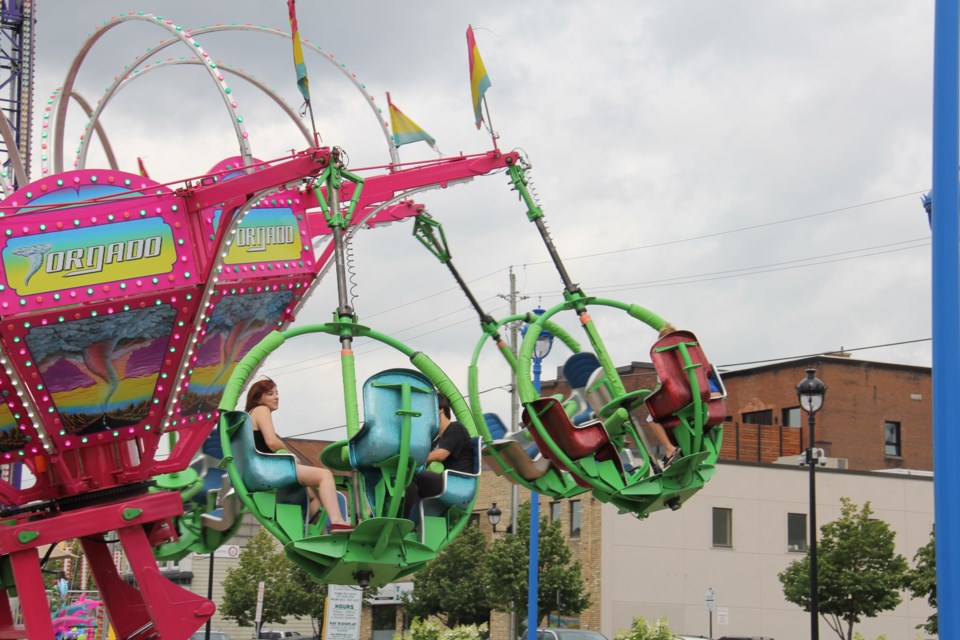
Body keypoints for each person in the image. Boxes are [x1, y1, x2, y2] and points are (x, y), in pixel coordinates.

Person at [245, 378, 353, 532]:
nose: (276, 397)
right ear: (258, 398)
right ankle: (337, 521)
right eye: (270, 394)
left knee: (311, 495)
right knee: (325, 475)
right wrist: (290, 455)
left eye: (277, 393)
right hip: (270, 471)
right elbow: (272, 442)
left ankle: (319, 535)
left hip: (261, 471)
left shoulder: (249, 417)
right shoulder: (261, 410)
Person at [405, 392, 473, 519]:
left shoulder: (456, 428)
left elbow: (440, 455)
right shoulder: (435, 440)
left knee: (412, 476)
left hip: (455, 483)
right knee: (401, 477)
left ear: (440, 410)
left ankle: (406, 520)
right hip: (440, 480)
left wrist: (413, 461)